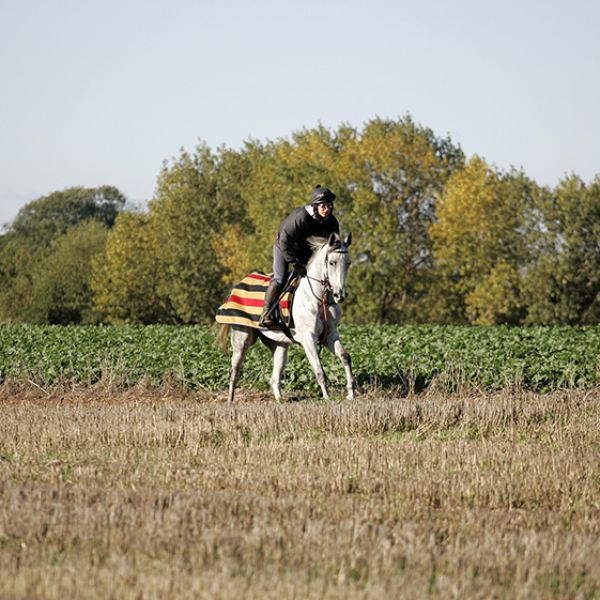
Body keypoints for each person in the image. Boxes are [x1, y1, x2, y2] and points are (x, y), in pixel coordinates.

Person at [258, 185, 340, 328]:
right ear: (315, 206)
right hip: (284, 245)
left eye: (329, 206)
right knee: (281, 277)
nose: (326, 210)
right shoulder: (301, 218)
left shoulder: (332, 222)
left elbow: (333, 246)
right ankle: (266, 314)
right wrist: (296, 265)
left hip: (305, 249)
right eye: (323, 206)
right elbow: (285, 243)